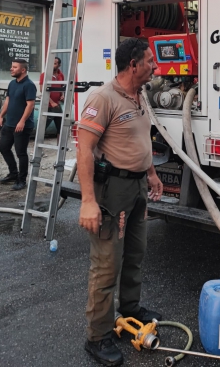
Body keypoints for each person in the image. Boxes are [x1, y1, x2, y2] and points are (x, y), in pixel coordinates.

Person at [77, 39, 163, 366]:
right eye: (150, 62)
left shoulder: (138, 96)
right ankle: (97, 336)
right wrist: (88, 202)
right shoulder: (103, 98)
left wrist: (152, 174)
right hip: (112, 191)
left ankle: (130, 311)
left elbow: (141, 140)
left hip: (138, 186)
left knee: (136, 254)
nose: (155, 67)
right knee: (107, 263)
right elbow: (84, 149)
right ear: (133, 65)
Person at [0, 59, 36, 191]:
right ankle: (13, 173)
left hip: (22, 126)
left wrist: (22, 121)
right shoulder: (12, 84)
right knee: (3, 147)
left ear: (23, 70)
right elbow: (8, 101)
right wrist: (1, 116)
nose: (11, 69)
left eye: (14, 67)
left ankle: (22, 179)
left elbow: (30, 104)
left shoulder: (29, 85)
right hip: (10, 123)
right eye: (11, 66)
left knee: (21, 153)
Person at [39, 56, 65, 139]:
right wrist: (51, 102)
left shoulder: (61, 75)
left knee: (61, 128)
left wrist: (62, 95)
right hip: (48, 106)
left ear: (59, 65)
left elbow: (62, 87)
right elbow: (42, 90)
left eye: (54, 64)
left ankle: (60, 147)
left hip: (57, 106)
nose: (51, 65)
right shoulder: (45, 75)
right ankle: (37, 150)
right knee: (42, 128)